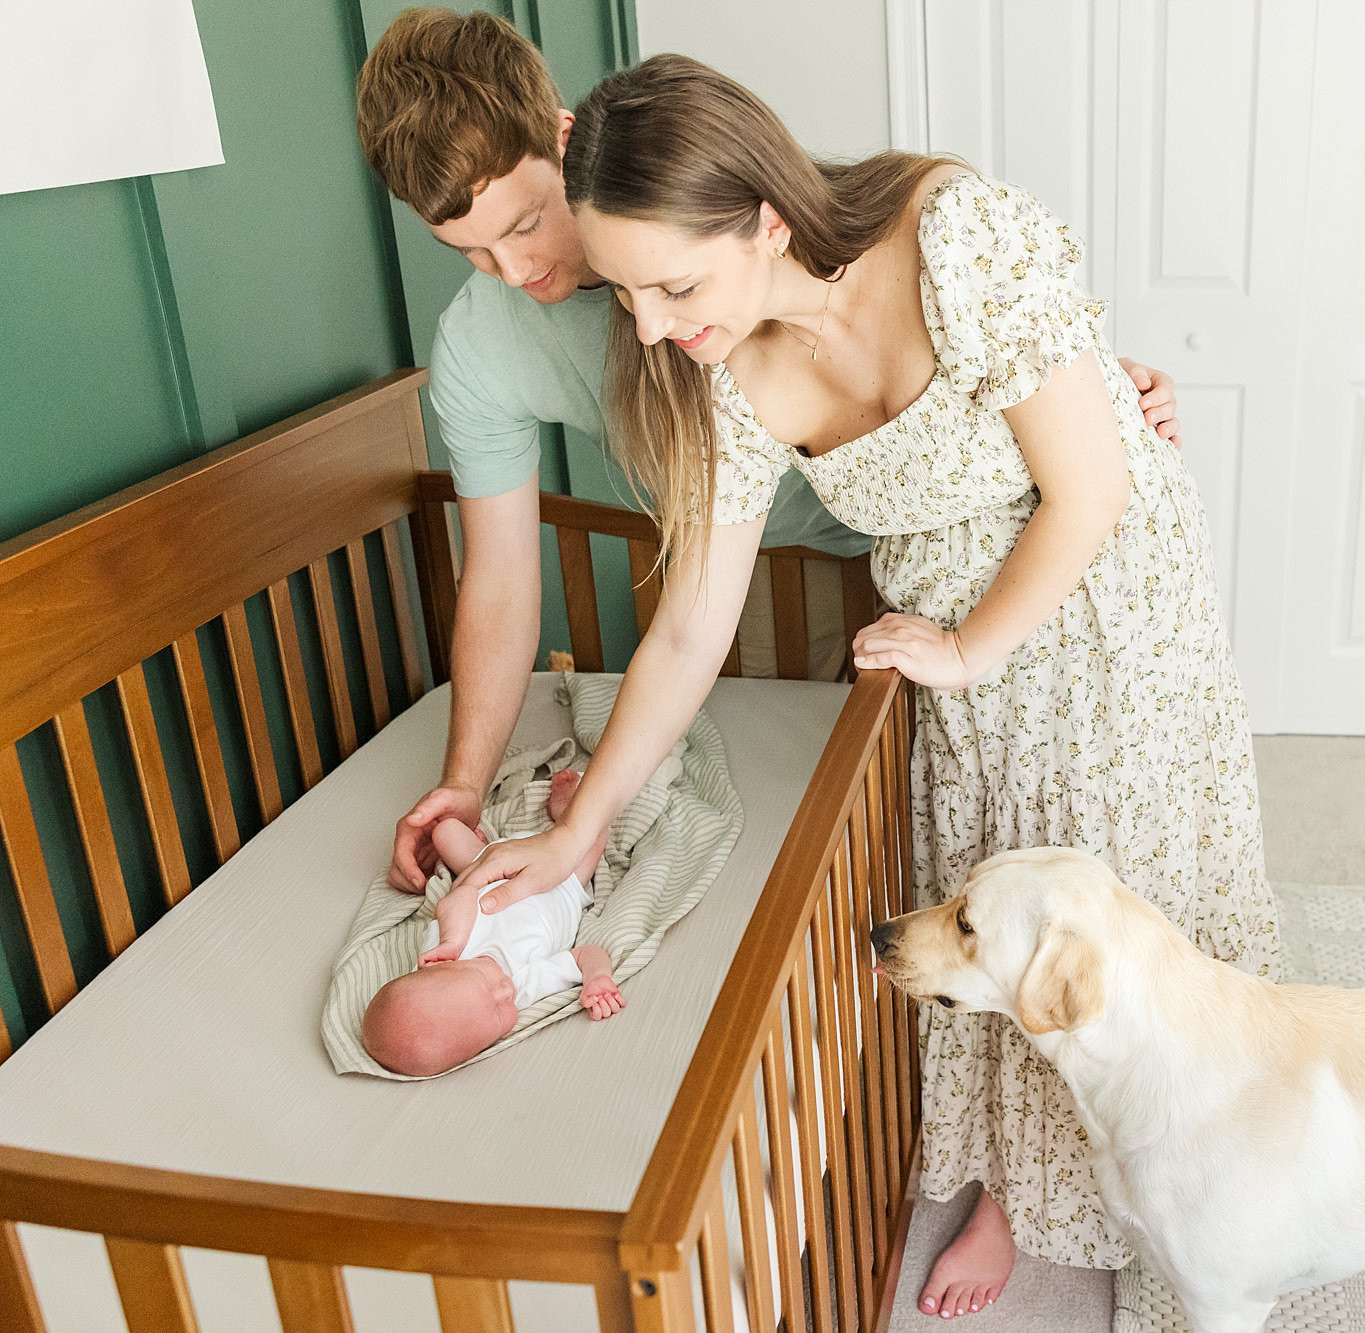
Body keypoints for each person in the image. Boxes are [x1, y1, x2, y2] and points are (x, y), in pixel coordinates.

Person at [447, 54, 1280, 1321]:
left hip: (1100, 592)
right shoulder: (726, 374)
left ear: (766, 220)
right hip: (953, 628)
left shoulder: (951, 234)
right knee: (991, 891)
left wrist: (966, 649)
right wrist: (578, 829)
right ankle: (1018, 1180)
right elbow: (688, 630)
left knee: (1119, 882)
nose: (658, 326)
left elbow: (1089, 489)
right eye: (629, 296)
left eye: (676, 284)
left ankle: (1151, 1166)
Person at [352, 10, 1185, 899]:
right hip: (856, 576)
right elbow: (657, 619)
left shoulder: (788, 235)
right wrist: (517, 805)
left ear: (568, 144)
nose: (515, 272)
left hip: (1024, 581)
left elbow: (971, 334)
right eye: (471, 253)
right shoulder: (711, 361)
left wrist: (1085, 391)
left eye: (522, 225)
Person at [362, 770, 623, 1077]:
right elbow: (585, 954)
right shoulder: (524, 985)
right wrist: (597, 978)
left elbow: (460, 897)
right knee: (597, 830)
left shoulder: (444, 951)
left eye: (487, 988)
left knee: (445, 831)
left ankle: (510, 836)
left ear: (434, 966)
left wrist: (453, 940)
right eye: (500, 1017)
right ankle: (565, 813)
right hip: (562, 879)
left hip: (489, 865)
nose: (504, 992)